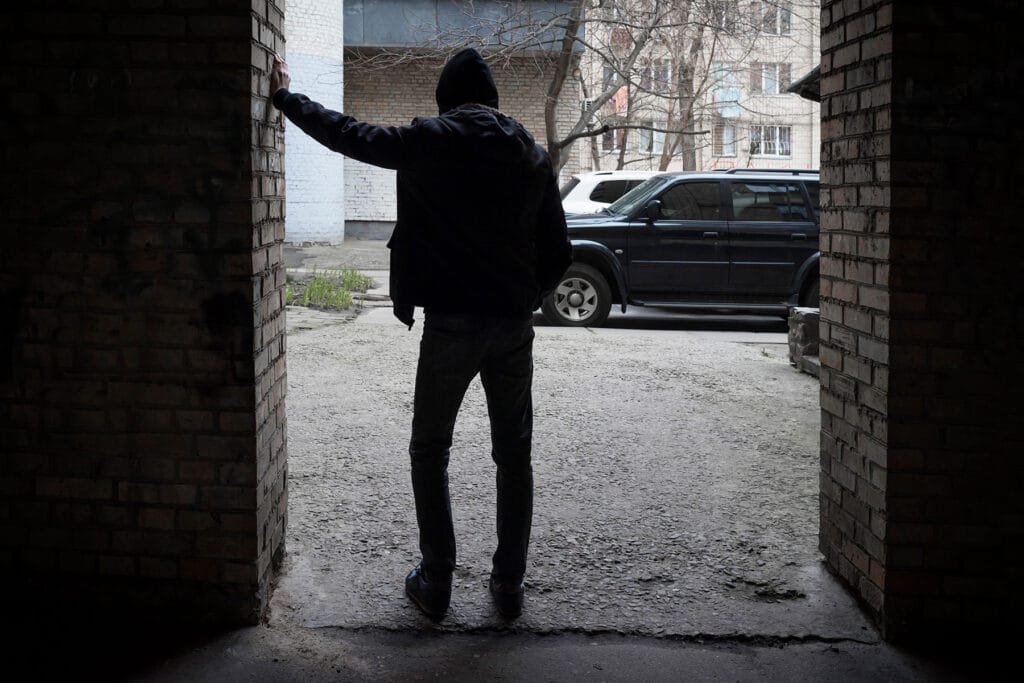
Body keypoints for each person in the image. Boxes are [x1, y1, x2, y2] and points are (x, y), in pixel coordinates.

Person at [269, 48, 571, 620]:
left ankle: (437, 582)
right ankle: (508, 587)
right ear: (493, 100)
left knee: (430, 449)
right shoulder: (530, 154)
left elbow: (348, 135)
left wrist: (286, 98)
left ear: (446, 97)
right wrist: (525, 296)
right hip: (512, 325)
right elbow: (559, 251)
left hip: (452, 323)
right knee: (515, 456)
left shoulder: (431, 139)